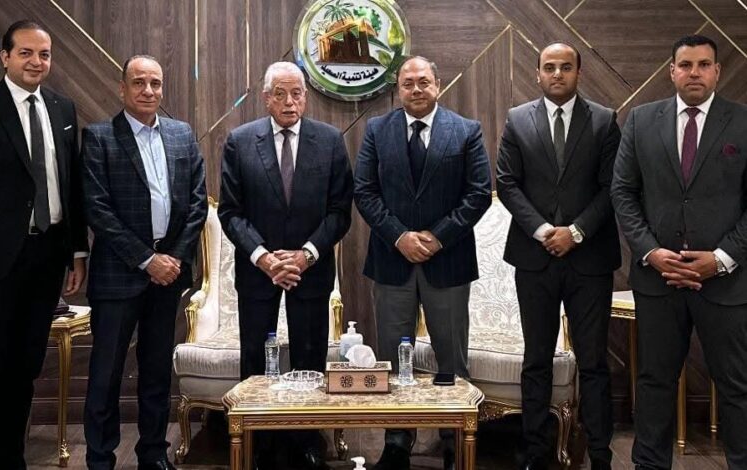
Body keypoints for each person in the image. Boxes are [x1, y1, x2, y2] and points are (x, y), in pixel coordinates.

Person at [611, 34, 747, 469]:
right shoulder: (641, 120)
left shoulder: (742, 122)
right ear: (671, 71)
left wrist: (720, 259)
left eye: (704, 65)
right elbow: (623, 192)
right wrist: (651, 252)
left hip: (726, 282)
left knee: (737, 385)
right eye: (685, 65)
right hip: (659, 279)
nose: (694, 73)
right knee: (654, 382)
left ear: (717, 72)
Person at [353, 56, 491, 470]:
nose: (416, 89)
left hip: (447, 261)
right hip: (392, 260)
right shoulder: (377, 130)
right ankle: (397, 443)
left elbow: (479, 193)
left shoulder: (465, 130)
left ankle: (454, 444)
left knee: (451, 358)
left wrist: (436, 237)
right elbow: (365, 191)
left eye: (423, 81)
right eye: (408, 83)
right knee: (394, 358)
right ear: (398, 88)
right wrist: (400, 237)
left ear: (438, 84)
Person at [219, 61, 353, 470]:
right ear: (266, 98)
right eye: (280, 94)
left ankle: (306, 442)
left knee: (309, 358)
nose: (289, 101)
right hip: (258, 271)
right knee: (255, 359)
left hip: (309, 270)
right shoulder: (240, 141)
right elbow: (231, 213)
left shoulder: (330, 141)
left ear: (305, 98)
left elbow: (339, 212)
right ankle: (258, 444)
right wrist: (264, 257)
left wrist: (305, 254)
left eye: (297, 94)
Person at [0, 20, 88, 469]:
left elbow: (71, 186)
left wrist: (77, 251)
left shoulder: (62, 108)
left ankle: (12, 459)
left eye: (44, 54)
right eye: (26, 53)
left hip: (47, 259)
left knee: (24, 370)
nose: (37, 62)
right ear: (4, 57)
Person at [496, 42, 621, 470]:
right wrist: (544, 230)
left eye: (566, 67)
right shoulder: (517, 119)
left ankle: (600, 456)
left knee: (594, 362)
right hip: (535, 258)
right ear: (537, 73)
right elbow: (507, 183)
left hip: (590, 260)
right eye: (549, 67)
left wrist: (577, 232)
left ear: (578, 73)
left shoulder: (604, 120)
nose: (557, 74)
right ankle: (536, 453)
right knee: (536, 360)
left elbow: (612, 187)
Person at [81, 55, 207, 470]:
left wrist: (172, 258)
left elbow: (197, 204)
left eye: (155, 83)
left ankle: (153, 453)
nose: (148, 90)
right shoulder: (99, 137)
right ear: (123, 88)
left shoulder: (181, 134)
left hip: (169, 276)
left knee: (156, 372)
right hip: (119, 275)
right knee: (106, 374)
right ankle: (100, 458)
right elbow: (98, 210)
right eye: (139, 82)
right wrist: (147, 259)